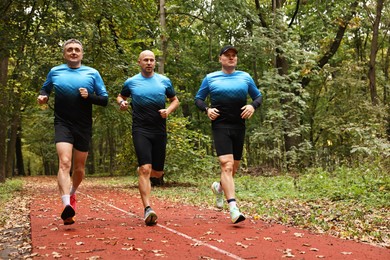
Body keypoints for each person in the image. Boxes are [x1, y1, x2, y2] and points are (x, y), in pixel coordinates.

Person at [37, 39, 108, 225]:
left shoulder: (92, 73)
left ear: (82, 54)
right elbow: (45, 90)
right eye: (70, 50)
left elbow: (104, 99)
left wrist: (89, 96)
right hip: (62, 123)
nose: (73, 52)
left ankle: (72, 193)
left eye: (77, 50)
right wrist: (42, 98)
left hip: (83, 125)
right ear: (64, 54)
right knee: (64, 162)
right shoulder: (55, 71)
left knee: (79, 168)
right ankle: (66, 205)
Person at [195, 45, 262, 224]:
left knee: (233, 168)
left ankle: (218, 187)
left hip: (239, 126)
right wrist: (207, 110)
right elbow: (198, 99)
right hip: (221, 125)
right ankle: (233, 207)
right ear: (220, 59)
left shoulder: (245, 77)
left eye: (234, 56)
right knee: (226, 165)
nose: (231, 58)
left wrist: (252, 106)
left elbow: (258, 97)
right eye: (227, 56)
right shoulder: (211, 78)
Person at [117, 50, 179, 226]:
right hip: (140, 129)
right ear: (139, 62)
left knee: (157, 173)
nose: (149, 62)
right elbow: (121, 96)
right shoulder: (131, 82)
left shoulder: (164, 81)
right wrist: (122, 103)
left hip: (159, 130)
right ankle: (148, 208)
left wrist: (168, 110)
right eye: (146, 60)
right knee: (145, 168)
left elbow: (175, 100)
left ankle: (144, 172)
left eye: (152, 60)